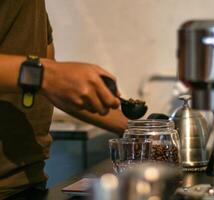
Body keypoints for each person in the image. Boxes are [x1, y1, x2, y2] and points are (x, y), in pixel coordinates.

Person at [0, 0, 128, 199]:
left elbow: (49, 84)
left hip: (26, 179)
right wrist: (46, 75)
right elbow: (44, 75)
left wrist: (136, 129)